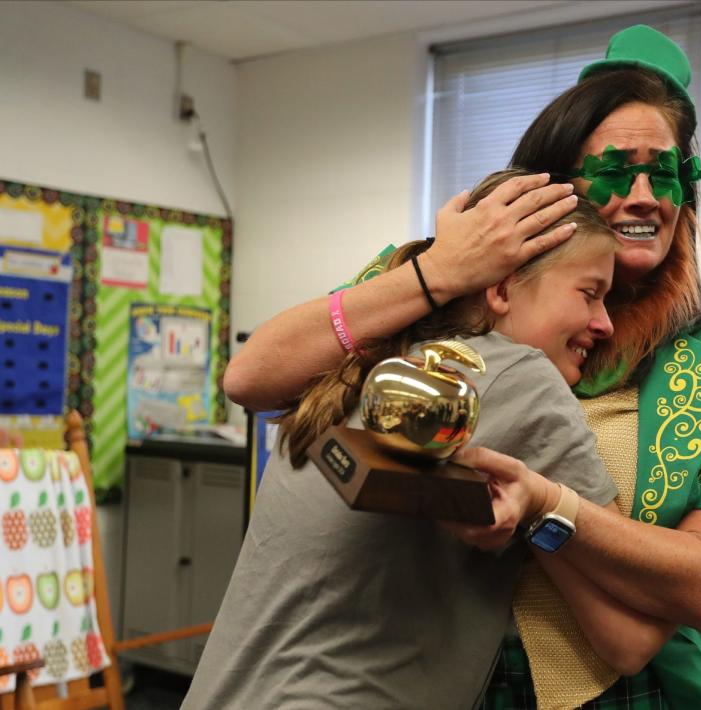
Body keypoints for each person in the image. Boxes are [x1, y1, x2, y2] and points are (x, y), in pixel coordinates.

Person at [225, 24, 701, 709]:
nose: (643, 195)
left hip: (621, 689)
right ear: (551, 189)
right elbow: (254, 377)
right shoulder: (430, 292)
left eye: (663, 171)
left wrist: (544, 506)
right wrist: (439, 269)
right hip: (428, 674)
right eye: (613, 170)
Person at [182, 170, 623, 709]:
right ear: (503, 288)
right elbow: (628, 630)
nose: (606, 324)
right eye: (591, 294)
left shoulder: (372, 360)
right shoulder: (523, 378)